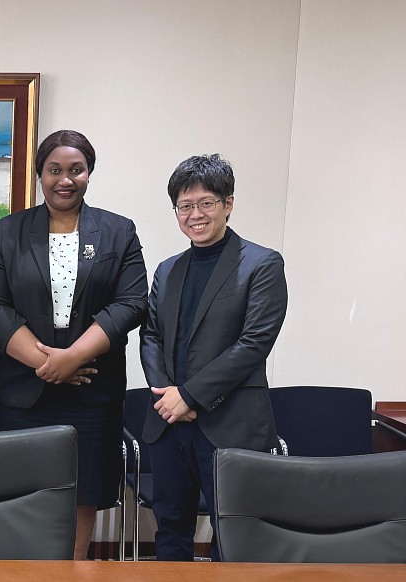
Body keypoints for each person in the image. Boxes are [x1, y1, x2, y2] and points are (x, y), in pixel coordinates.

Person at [0, 129, 147, 560]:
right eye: (54, 170)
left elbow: (132, 303)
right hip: (23, 391)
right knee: (21, 493)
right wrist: (46, 362)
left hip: (91, 393)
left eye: (76, 170)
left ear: (89, 174)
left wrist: (74, 357)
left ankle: (72, 570)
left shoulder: (118, 231)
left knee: (82, 492)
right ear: (40, 175)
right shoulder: (9, 230)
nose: (64, 179)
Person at [140, 154, 288, 561]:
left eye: (206, 203)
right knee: (169, 532)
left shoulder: (261, 264)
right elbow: (150, 335)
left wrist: (189, 396)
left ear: (229, 203)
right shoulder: (167, 270)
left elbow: (254, 343)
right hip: (167, 423)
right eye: (185, 206)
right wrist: (168, 396)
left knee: (235, 535)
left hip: (230, 423)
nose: (195, 215)